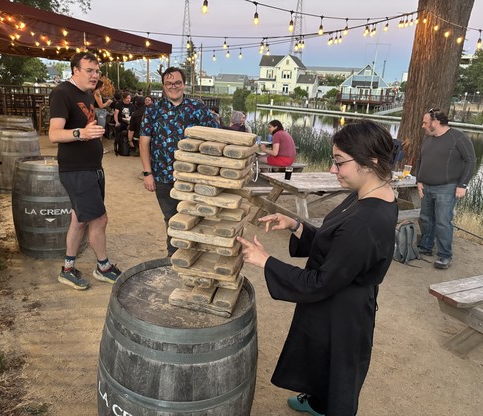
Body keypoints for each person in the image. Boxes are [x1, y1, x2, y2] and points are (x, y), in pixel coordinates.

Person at [237, 120, 398, 416]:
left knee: (340, 369)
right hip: (335, 297)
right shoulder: (365, 192)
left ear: (371, 161)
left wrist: (266, 261)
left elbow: (320, 282)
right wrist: (297, 226)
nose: (333, 170)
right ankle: (318, 401)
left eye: (339, 163)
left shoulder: (368, 220)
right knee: (321, 356)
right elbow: (337, 244)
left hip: (345, 309)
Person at [48, 51, 122, 290]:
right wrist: (81, 133)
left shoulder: (87, 94)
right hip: (76, 170)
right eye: (89, 70)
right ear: (75, 70)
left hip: (92, 168)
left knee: (79, 220)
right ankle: (103, 267)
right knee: (100, 219)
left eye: (97, 70)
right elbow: (53, 134)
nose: (95, 75)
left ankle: (67, 269)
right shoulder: (62, 93)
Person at [139, 67, 219, 256]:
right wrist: (147, 173)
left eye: (177, 83)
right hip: (163, 176)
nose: (173, 86)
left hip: (192, 178)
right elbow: (144, 143)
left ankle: (192, 257)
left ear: (184, 84)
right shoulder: (153, 110)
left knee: (195, 217)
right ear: (164, 86)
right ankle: (173, 258)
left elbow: (215, 135)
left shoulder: (197, 108)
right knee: (172, 218)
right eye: (169, 83)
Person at [416, 108, 476, 269]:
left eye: (425, 122)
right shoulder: (428, 138)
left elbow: (470, 161)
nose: (423, 126)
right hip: (426, 187)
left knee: (443, 222)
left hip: (447, 188)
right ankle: (426, 247)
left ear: (436, 122)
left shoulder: (458, 138)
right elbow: (421, 160)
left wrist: (463, 184)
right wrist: (419, 180)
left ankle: (444, 255)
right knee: (426, 218)